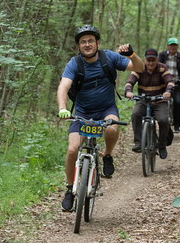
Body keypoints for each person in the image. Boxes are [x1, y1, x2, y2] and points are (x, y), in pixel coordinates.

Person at [57, 25, 144, 211]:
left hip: (106, 109)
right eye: (83, 42)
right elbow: (63, 86)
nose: (87, 44)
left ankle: (108, 156)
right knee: (72, 150)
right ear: (78, 46)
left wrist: (132, 55)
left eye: (90, 41)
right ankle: (69, 189)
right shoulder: (74, 63)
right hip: (82, 112)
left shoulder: (109, 57)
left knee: (112, 129)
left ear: (97, 43)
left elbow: (139, 68)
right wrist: (62, 108)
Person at [124, 48, 175, 159]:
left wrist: (168, 91)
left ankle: (162, 145)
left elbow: (170, 81)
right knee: (136, 114)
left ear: (157, 59)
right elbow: (130, 82)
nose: (150, 63)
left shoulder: (162, 68)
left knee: (163, 120)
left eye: (153, 60)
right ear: (145, 60)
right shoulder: (139, 67)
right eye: (148, 60)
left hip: (159, 101)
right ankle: (138, 142)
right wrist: (128, 91)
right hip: (143, 100)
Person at [157, 37, 180, 134]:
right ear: (167, 46)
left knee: (178, 102)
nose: (173, 47)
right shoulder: (162, 55)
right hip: (163, 83)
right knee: (157, 101)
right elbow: (157, 66)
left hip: (177, 83)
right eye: (171, 45)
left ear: (177, 46)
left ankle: (176, 124)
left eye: (175, 45)